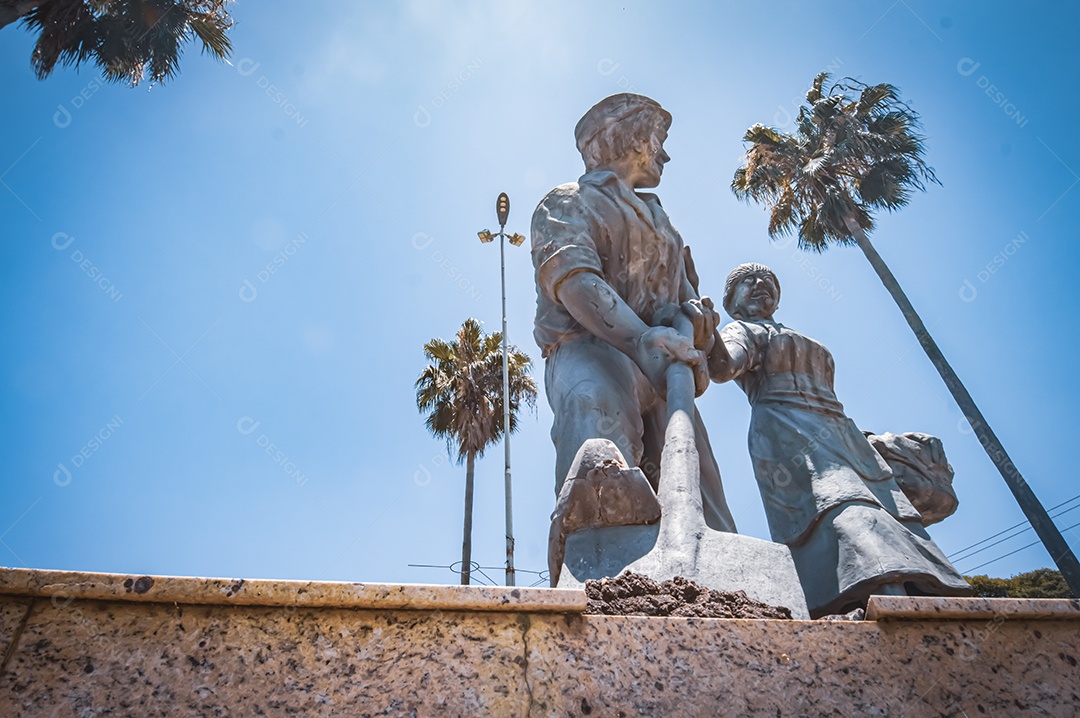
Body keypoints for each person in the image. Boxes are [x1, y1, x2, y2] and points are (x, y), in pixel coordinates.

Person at [709, 263, 971, 617]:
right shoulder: (741, 330)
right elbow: (724, 367)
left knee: (885, 511)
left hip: (840, 430)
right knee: (843, 507)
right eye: (748, 281)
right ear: (732, 301)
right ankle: (877, 595)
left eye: (768, 281)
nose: (761, 285)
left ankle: (916, 591)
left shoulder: (793, 333)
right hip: (786, 430)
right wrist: (705, 332)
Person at [530, 93, 736, 533]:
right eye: (658, 139)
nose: (665, 152)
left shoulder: (667, 228)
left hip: (662, 371)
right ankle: (594, 557)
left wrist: (696, 330)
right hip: (591, 349)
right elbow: (575, 279)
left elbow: (693, 320)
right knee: (597, 425)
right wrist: (639, 339)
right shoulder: (567, 202)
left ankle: (718, 570)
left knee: (700, 487)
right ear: (631, 137)